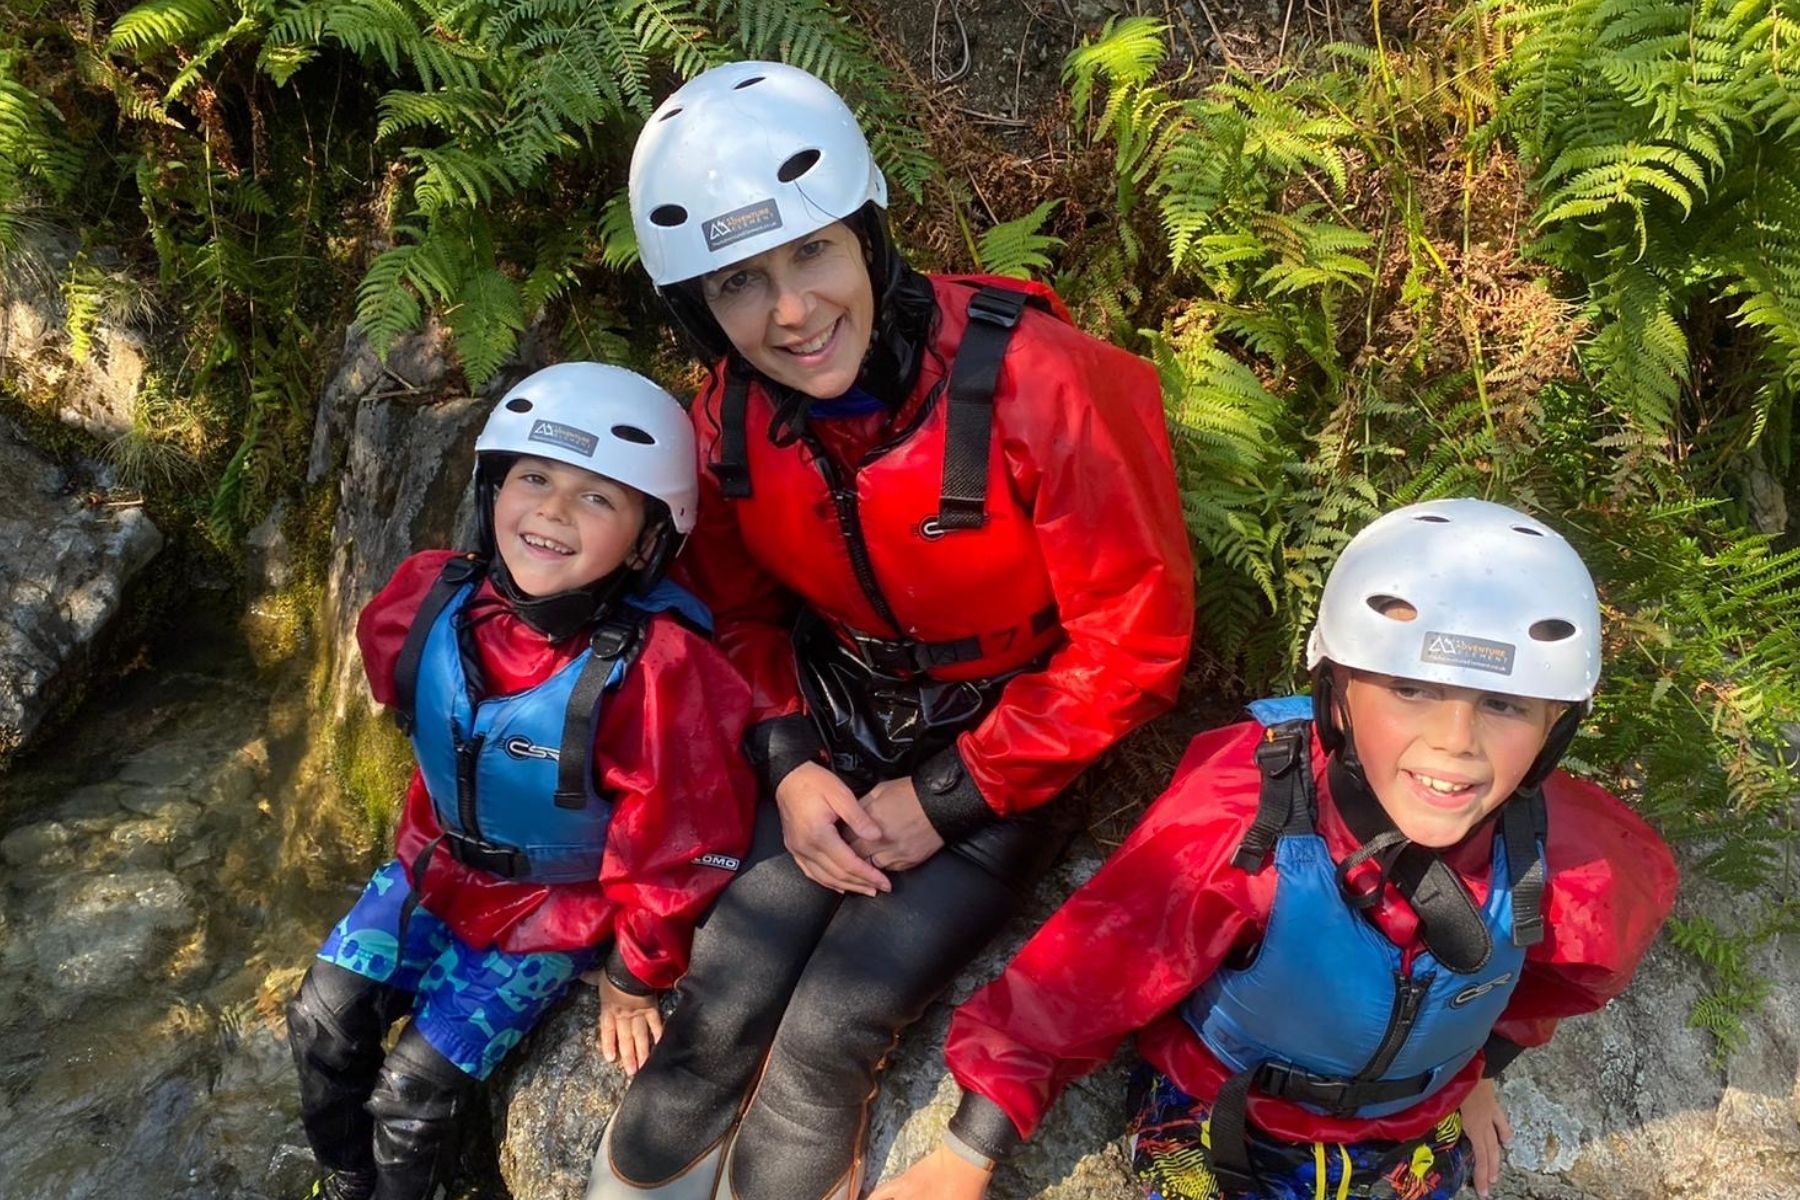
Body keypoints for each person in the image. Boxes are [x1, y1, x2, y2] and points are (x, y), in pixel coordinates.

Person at [585, 61, 1196, 1200]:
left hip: (1010, 731)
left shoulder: (1050, 384)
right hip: (838, 712)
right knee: (722, 988)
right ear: (699, 313)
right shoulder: (728, 426)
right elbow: (743, 613)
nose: (792, 312)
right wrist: (793, 764)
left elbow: (1135, 634)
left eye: (812, 252)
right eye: (739, 286)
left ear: (869, 235)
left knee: (835, 1021)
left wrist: (954, 794)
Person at [871, 498, 1678, 1200]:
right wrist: (965, 1154)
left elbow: (1554, 982)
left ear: (1552, 732)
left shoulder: (1582, 857)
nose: (1454, 742)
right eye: (1409, 688)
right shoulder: (1240, 820)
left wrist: (1479, 1073)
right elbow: (1084, 977)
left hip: (1412, 1129)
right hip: (1218, 1118)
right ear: (1335, 695)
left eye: (1504, 704)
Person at [286, 363, 759, 1200]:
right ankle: (344, 1183)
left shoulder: (660, 673)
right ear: (492, 487)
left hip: (554, 910)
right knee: (321, 1018)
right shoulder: (428, 598)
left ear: (648, 541)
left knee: (413, 1094)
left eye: (597, 498)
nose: (551, 511)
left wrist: (632, 975)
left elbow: (683, 848)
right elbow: (403, 690)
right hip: (431, 869)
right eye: (534, 478)